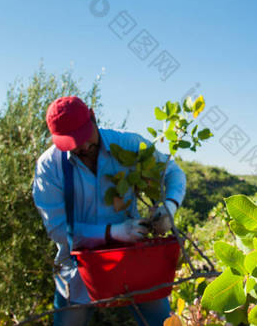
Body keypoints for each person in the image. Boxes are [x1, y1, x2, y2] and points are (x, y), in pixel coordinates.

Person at [32, 96, 186, 326]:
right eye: (73, 143)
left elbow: (173, 173)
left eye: (85, 137)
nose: (83, 147)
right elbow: (57, 229)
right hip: (78, 270)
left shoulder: (127, 145)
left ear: (93, 117)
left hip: (134, 261)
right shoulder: (49, 167)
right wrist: (113, 232)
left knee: (161, 322)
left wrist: (170, 207)